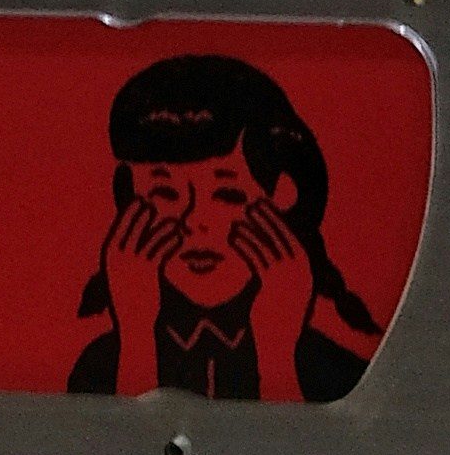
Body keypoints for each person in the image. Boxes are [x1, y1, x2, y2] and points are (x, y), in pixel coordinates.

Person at [69, 49, 385, 403]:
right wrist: (136, 329)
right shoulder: (98, 367)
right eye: (164, 193)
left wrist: (278, 348)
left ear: (280, 197)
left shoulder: (337, 374)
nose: (194, 222)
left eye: (227, 194)